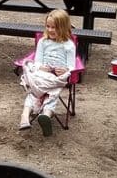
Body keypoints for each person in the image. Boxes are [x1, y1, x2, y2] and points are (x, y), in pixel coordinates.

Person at [18, 9, 76, 137]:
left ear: (63, 27)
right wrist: (41, 67)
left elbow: (72, 65)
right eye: (48, 26)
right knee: (35, 90)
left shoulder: (69, 45)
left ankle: (45, 116)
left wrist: (66, 70)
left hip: (57, 77)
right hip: (42, 75)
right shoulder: (43, 42)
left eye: (54, 27)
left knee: (53, 92)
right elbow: (37, 61)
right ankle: (26, 116)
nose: (50, 30)